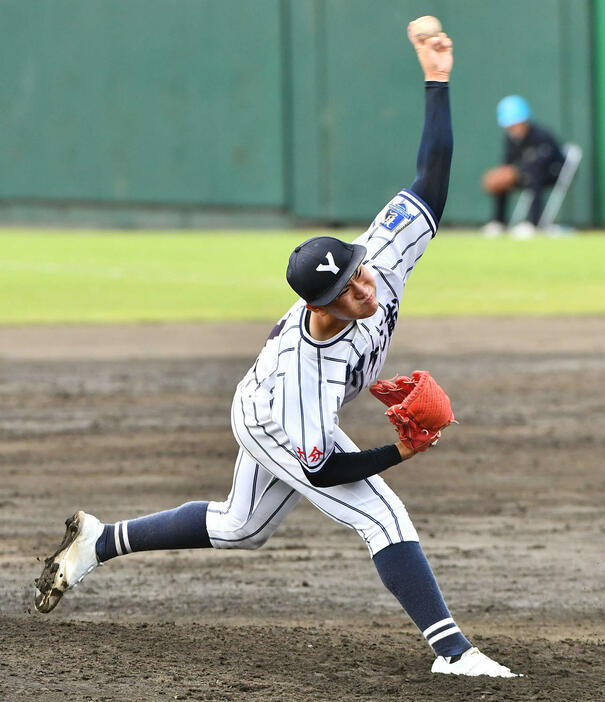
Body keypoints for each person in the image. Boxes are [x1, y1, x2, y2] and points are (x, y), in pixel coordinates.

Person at [34, 22, 519, 679]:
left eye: (361, 272)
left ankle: (99, 542)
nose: (367, 288)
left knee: (242, 527)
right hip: (270, 420)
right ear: (320, 307)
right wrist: (397, 452)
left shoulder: (375, 258)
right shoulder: (303, 379)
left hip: (286, 409)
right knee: (380, 513)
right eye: (351, 291)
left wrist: (436, 80)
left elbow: (428, 182)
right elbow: (320, 472)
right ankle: (454, 653)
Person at [481, 95, 565, 239]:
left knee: (533, 176)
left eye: (515, 123)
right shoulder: (510, 138)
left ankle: (534, 223)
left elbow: (542, 163)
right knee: (503, 180)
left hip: (553, 173)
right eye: (509, 125)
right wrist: (504, 172)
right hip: (525, 174)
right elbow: (506, 162)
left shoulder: (541, 135)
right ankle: (498, 222)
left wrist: (516, 172)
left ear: (525, 120)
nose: (512, 128)